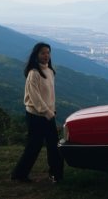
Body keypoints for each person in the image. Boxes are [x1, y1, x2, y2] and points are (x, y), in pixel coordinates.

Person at [11, 42, 64, 183]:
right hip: (36, 116)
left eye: (48, 52)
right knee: (34, 146)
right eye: (43, 53)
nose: (46, 55)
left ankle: (56, 175)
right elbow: (35, 97)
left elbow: (49, 95)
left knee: (53, 145)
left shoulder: (50, 71)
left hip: (47, 114)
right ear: (36, 55)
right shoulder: (33, 74)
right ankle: (19, 174)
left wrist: (52, 109)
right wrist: (47, 112)